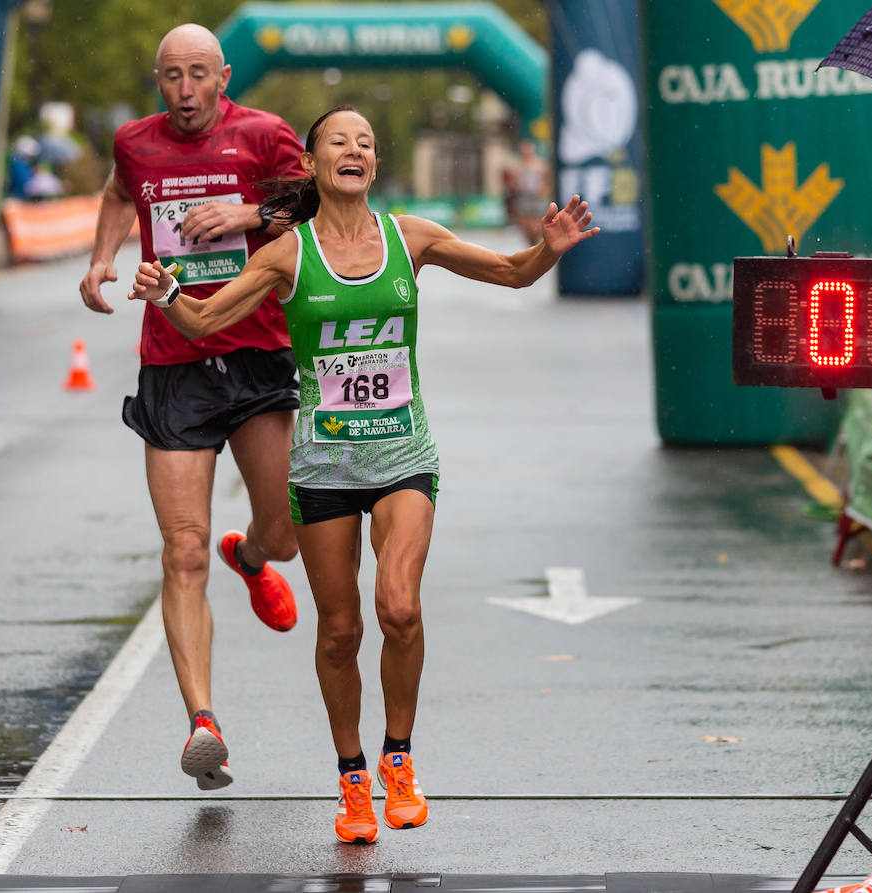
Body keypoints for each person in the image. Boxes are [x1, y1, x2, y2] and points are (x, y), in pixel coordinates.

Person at [129, 106, 598, 843]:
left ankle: (399, 758)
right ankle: (351, 775)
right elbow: (205, 321)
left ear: (374, 166)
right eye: (338, 142)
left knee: (400, 606)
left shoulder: (409, 237)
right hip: (324, 463)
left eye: (367, 143)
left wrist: (550, 248)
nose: (355, 150)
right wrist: (164, 294)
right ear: (312, 167)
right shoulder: (288, 254)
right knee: (341, 629)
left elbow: (511, 272)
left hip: (402, 453)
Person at [77, 23, 307, 792]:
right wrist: (104, 255)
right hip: (173, 363)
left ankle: (251, 556)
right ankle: (203, 722)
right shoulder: (136, 144)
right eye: (171, 76)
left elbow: (313, 201)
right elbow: (117, 191)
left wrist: (246, 217)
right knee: (181, 548)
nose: (183, 91)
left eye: (198, 75)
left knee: (286, 534)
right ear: (158, 80)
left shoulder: (264, 135)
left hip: (256, 353)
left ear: (223, 77)